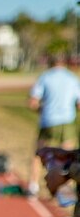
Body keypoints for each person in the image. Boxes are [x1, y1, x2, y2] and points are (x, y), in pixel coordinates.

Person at [28, 54, 80, 197]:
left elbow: (33, 102)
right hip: (67, 121)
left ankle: (33, 186)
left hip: (48, 120)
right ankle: (66, 191)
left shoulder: (45, 77)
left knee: (39, 154)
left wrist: (42, 110)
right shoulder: (72, 78)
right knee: (69, 157)